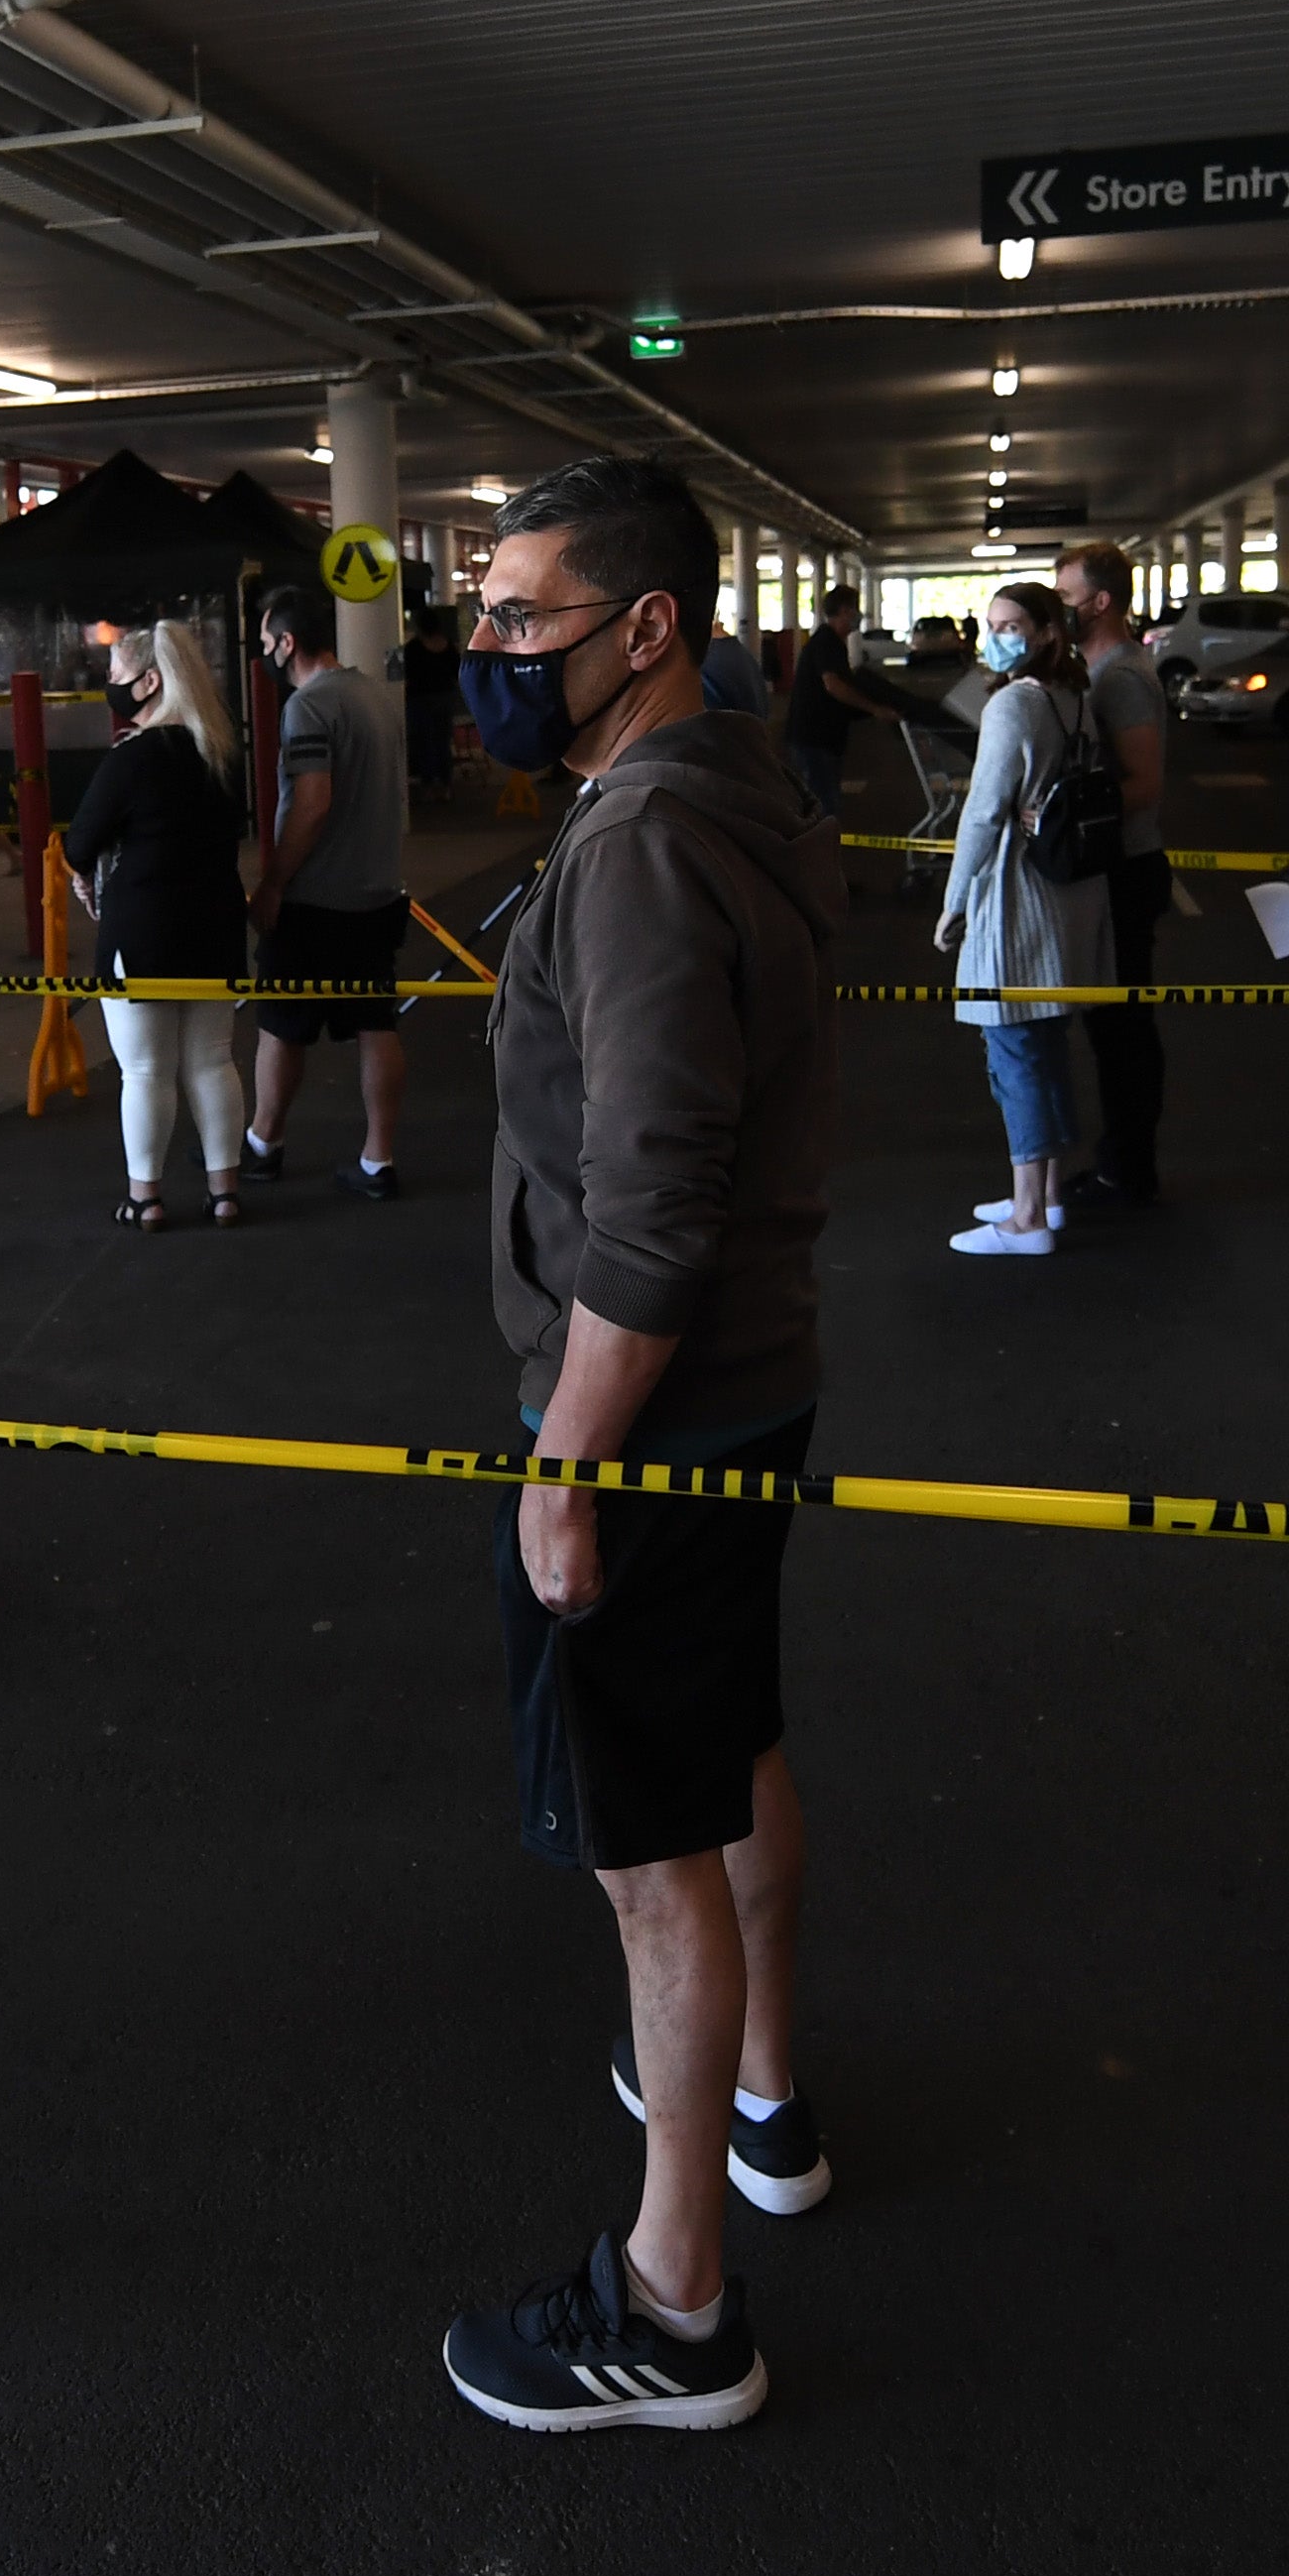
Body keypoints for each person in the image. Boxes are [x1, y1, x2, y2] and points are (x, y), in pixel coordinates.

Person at [445, 455, 840, 2436]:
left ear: (645, 628)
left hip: (655, 1404)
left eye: (521, 615)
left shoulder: (640, 848)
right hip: (746, 1382)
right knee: (724, 1743)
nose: (489, 647)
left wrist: (566, 1460)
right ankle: (762, 2092)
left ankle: (678, 2300)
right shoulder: (725, 787)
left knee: (643, 1849)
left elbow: (658, 1200)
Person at [936, 580, 1113, 1259]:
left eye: (1010, 624)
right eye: (991, 623)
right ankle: (1047, 1194)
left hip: (1018, 900)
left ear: (1044, 631)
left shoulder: (1013, 703)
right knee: (1045, 1049)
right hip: (1069, 896)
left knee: (1013, 1052)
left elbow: (983, 812)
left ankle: (1027, 1219)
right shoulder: (1074, 699)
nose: (997, 635)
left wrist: (954, 901)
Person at [63, 620, 250, 1229]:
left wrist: (84, 871)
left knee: (145, 1071)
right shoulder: (220, 752)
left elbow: (80, 840)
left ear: (147, 682)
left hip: (141, 932)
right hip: (218, 927)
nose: (109, 686)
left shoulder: (131, 759)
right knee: (213, 1063)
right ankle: (225, 1192)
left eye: (114, 676)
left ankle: (146, 1197)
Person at [244, 587, 412, 1197]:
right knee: (375, 1022)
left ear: (287, 643)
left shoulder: (307, 708)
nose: (263, 655)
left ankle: (262, 1143)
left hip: (316, 901)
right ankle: (378, 1160)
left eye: (265, 644)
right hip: (378, 893)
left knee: (282, 1025)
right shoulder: (374, 695)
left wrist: (272, 885)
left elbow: (311, 805)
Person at [1050, 543, 1173, 1204]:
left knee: (1122, 1028)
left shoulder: (1121, 676)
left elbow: (1144, 784)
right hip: (1112, 867)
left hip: (1125, 868)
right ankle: (1119, 1160)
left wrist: (1059, 815)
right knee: (1110, 1025)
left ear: (1100, 602)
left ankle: (1127, 1168)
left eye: (1067, 596)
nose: (1059, 606)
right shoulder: (1097, 667)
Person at [774, 586, 912, 822]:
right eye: (855, 610)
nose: (859, 615)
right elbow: (833, 685)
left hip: (820, 737)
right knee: (825, 803)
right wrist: (874, 709)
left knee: (824, 799)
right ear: (846, 611)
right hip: (815, 738)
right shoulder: (827, 642)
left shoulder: (831, 642)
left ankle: (820, 849)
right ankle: (819, 853)